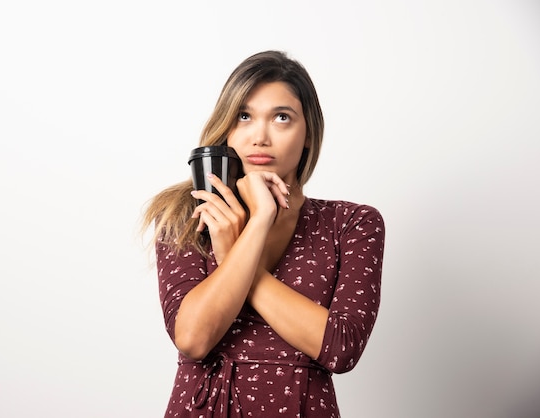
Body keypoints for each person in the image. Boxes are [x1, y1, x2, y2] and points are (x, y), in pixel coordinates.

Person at [141, 50, 385, 417]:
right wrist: (255, 227)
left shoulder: (351, 223)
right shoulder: (189, 214)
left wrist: (238, 254)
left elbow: (340, 346)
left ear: (308, 134)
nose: (259, 137)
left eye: (281, 118)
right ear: (227, 125)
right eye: (244, 116)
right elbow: (192, 339)